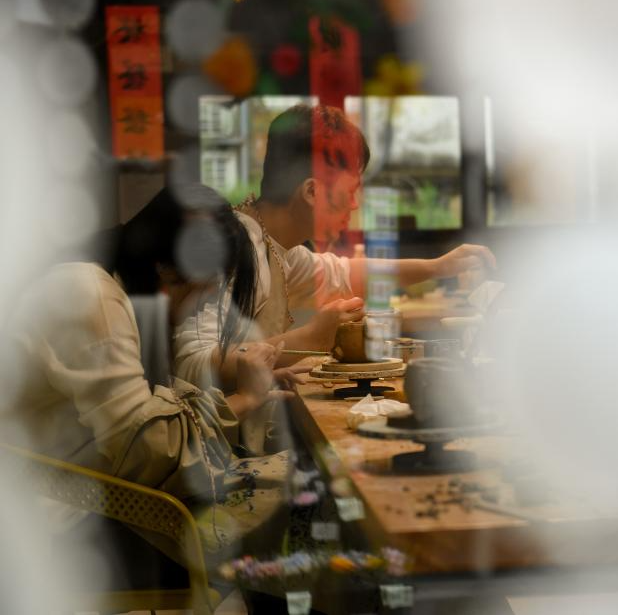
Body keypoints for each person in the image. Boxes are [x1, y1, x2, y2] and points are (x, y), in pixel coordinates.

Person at [2, 185, 294, 566]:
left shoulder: (112, 291)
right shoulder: (91, 296)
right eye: (203, 294)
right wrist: (246, 398)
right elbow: (147, 449)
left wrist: (247, 395)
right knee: (300, 499)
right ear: (166, 271)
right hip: (67, 526)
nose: (197, 310)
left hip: (93, 498)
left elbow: (147, 422)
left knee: (290, 482)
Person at [174, 104, 496, 395]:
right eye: (350, 192)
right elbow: (191, 366)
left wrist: (438, 267)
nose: (354, 205)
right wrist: (313, 337)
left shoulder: (275, 246)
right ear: (312, 192)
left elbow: (344, 273)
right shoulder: (235, 247)